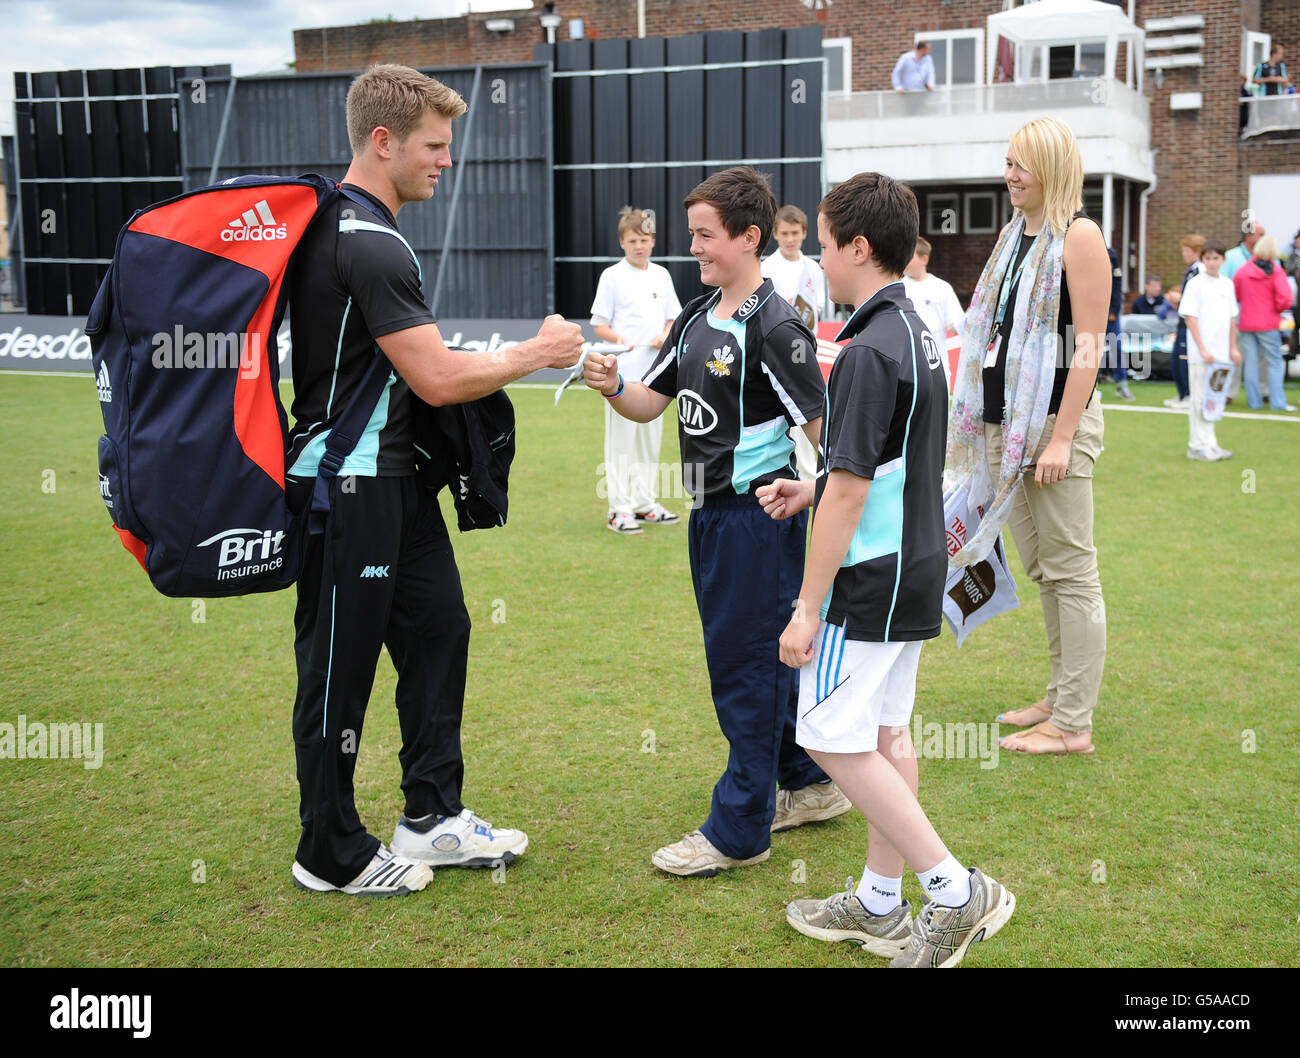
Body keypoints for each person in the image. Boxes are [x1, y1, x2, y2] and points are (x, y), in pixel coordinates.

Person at [284, 64, 584, 896]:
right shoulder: (366, 239)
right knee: (339, 672)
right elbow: (438, 378)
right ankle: (329, 851)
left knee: (441, 630)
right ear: (382, 142)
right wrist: (538, 353)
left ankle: (431, 819)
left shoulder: (348, 226)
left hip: (396, 483)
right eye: (434, 145)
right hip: (348, 487)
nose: (447, 161)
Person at [761, 172, 1015, 969]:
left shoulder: (870, 346)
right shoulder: (909, 326)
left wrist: (807, 607)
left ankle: (951, 888)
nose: (818, 260)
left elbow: (854, 491)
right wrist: (820, 484)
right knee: (882, 730)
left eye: (827, 244)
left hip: (869, 578)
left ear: (858, 247)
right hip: (913, 566)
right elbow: (892, 461)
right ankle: (878, 901)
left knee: (828, 737)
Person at [583, 166, 850, 878]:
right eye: (692, 234)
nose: (693, 247)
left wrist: (814, 489)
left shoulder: (777, 324)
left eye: (705, 235)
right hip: (712, 522)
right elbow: (648, 402)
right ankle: (809, 783)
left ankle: (739, 829)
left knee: (744, 669)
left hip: (758, 523)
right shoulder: (698, 318)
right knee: (758, 662)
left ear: (749, 237)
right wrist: (613, 385)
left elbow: (830, 434)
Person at [947, 116, 1110, 756]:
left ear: (1052, 168)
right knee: (1046, 570)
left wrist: (1063, 436)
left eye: (1022, 163)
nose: (1009, 174)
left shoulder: (1080, 237)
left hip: (1050, 427)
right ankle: (1059, 694)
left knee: (1072, 570)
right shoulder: (1016, 235)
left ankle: (1073, 723)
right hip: (1005, 426)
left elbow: (1090, 346)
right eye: (1008, 161)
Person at [589, 205, 683, 533]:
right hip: (621, 376)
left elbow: (674, 318)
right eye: (632, 241)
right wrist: (620, 339)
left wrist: (664, 334)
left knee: (649, 443)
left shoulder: (661, 275)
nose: (639, 246)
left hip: (655, 377)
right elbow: (599, 324)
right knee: (621, 445)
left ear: (653, 241)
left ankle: (645, 504)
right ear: (622, 243)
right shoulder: (612, 276)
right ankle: (620, 510)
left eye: (644, 239)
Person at [762, 203, 827, 479]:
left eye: (795, 233)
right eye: (785, 233)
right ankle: (793, 476)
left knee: (811, 416)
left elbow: (819, 306)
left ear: (804, 234)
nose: (790, 239)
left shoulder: (813, 267)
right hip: (776, 357)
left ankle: (812, 480)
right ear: (775, 234)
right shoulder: (767, 266)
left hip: (807, 353)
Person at [1178, 238, 1241, 460]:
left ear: (1223, 260)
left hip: (1222, 354)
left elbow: (1232, 319)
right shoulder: (1196, 283)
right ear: (1202, 260)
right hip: (1201, 354)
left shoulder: (1227, 284)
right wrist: (1203, 349)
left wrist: (1233, 349)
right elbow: (1190, 318)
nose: (1212, 262)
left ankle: (1210, 442)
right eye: (1208, 258)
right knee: (1199, 398)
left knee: (1214, 398)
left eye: (1216, 258)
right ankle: (1197, 444)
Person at [1232, 233, 1294, 411]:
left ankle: (1254, 402)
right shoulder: (1276, 272)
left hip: (1245, 323)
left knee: (1250, 363)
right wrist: (1274, 308)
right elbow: (1285, 300)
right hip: (1268, 323)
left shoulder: (1243, 270)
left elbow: (1235, 294)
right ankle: (1278, 403)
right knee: (1274, 362)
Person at [902, 236, 964, 386]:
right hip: (906, 367)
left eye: (909, 256)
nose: (904, 259)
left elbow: (957, 324)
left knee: (937, 408)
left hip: (937, 365)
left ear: (924, 259)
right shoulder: (898, 287)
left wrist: (972, 318)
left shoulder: (942, 287)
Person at [1166, 234, 1205, 408]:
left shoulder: (1199, 271)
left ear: (1196, 252)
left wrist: (1180, 298)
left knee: (1183, 359)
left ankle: (1189, 395)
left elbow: (1198, 297)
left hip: (1191, 321)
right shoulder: (1190, 270)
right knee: (1176, 359)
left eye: (1186, 251)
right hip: (1182, 320)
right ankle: (1182, 394)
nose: (1184, 254)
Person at [1106, 245, 1132, 400]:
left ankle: (1121, 384)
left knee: (1116, 346)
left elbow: (1117, 283)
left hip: (1109, 311)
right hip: (1089, 309)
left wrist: (1114, 309)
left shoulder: (1110, 255)